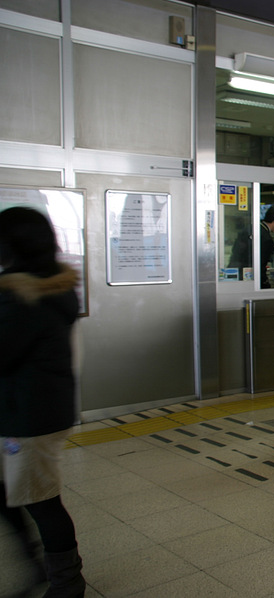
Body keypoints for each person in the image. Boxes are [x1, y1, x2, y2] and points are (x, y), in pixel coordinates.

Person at [0, 207, 85, 596]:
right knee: (22, 494)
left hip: (29, 415)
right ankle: (38, 564)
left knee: (43, 501)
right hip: (37, 408)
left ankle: (66, 584)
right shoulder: (51, 287)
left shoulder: (22, 297)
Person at [229, 206, 274, 288]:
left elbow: (235, 250)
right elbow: (260, 267)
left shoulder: (250, 228)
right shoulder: (267, 239)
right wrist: (265, 284)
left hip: (235, 275)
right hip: (251, 280)